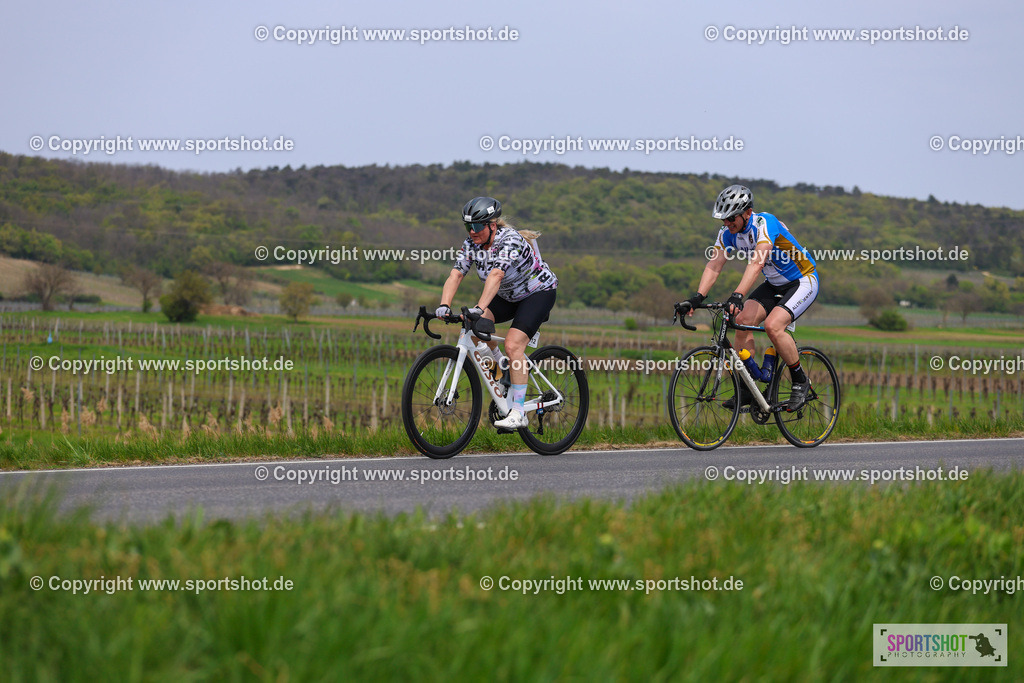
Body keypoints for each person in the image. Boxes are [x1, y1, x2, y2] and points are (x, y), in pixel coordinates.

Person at [676, 184, 819, 411]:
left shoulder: (764, 224)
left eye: (731, 218)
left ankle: (800, 381)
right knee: (741, 321)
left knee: (773, 326)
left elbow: (757, 263)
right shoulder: (728, 234)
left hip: (802, 280)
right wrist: (697, 297)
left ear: (747, 213)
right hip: (773, 283)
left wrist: (737, 295)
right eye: (723, 219)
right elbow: (714, 265)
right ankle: (747, 388)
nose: (727, 223)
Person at [436, 196, 558, 429]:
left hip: (537, 293)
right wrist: (444, 305)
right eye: (468, 226)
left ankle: (519, 412)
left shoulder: (509, 240)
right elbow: (456, 274)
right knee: (473, 333)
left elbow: (496, 275)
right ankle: (502, 368)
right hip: (509, 296)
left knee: (514, 345)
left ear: (492, 225)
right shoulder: (471, 243)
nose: (472, 231)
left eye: (477, 226)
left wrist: (479, 309)